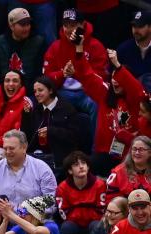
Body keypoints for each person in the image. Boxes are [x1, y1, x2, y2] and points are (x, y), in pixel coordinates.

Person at [72, 46, 146, 176]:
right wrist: (79, 49)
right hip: (103, 153)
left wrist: (117, 65)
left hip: (129, 156)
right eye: (112, 77)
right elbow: (88, 76)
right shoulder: (104, 94)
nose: (114, 80)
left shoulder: (135, 101)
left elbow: (137, 90)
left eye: (119, 77)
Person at [42, 8, 106, 141]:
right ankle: (48, 149)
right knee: (46, 101)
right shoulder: (55, 47)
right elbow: (46, 78)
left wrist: (77, 74)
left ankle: (96, 150)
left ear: (82, 25)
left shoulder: (96, 46)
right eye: (65, 25)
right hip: (63, 92)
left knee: (98, 104)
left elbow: (101, 78)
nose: (68, 29)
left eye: (73, 25)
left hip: (87, 93)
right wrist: (62, 74)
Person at [0, 129, 57, 217]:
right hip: (2, 222)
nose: (7, 152)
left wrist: (20, 212)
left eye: (11, 148)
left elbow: (51, 202)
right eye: (5, 148)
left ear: (24, 147)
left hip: (33, 224)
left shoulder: (41, 168)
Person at [21, 76, 81, 172]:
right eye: (35, 91)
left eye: (40, 90)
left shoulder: (67, 108)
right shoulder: (36, 109)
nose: (37, 94)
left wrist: (51, 131)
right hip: (35, 154)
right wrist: (26, 116)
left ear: (51, 90)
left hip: (58, 157)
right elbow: (27, 135)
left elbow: (74, 136)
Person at [56, 151, 106, 234]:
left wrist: (79, 211)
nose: (81, 166)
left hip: (93, 222)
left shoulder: (100, 184)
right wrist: (85, 212)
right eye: (76, 165)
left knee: (98, 226)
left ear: (88, 166)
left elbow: (101, 211)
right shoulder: (62, 187)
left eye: (83, 163)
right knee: (66, 227)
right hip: (73, 224)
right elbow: (64, 213)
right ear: (70, 171)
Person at [0, 8, 46, 89]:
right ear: (11, 26)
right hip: (4, 92)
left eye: (28, 24)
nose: (27, 28)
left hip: (30, 92)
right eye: (23, 25)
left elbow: (39, 74)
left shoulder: (39, 42)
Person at [105, 136, 151, 202]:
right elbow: (111, 199)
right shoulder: (118, 172)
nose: (137, 153)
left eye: (141, 149)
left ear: (149, 152)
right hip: (125, 210)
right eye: (134, 149)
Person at [117, 10, 151, 86]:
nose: (136, 30)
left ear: (150, 27)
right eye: (134, 26)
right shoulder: (123, 49)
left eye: (140, 26)